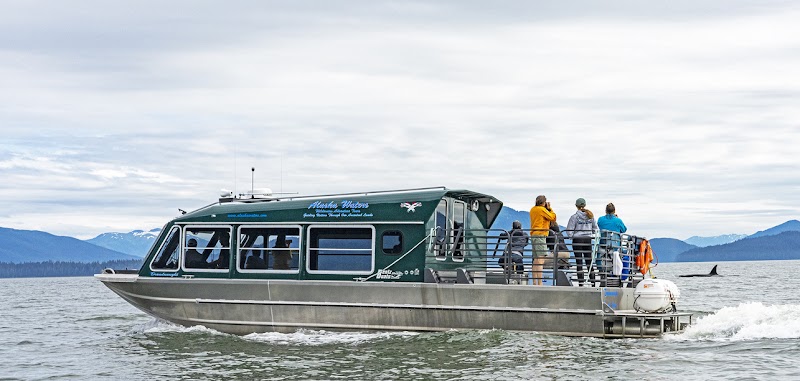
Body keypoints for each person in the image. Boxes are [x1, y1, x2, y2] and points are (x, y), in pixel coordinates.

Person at [566, 198, 598, 286]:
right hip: (588, 240)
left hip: (577, 240)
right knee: (589, 262)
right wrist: (591, 234)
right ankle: (593, 282)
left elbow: (569, 230)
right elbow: (596, 228)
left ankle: (581, 283)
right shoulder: (590, 216)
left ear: (576, 206)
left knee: (579, 262)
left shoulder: (574, 217)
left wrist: (571, 236)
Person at [597, 203, 627, 285]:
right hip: (615, 247)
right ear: (614, 211)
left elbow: (599, 225)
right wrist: (616, 218)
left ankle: (602, 276)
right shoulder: (618, 220)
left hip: (603, 245)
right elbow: (624, 229)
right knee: (623, 255)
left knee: (602, 261)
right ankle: (617, 278)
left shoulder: (600, 219)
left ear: (605, 211)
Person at [529, 195, 556, 285]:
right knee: (541, 259)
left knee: (536, 260)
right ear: (544, 202)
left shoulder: (533, 209)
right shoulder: (541, 209)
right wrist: (550, 208)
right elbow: (552, 217)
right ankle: (540, 283)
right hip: (540, 235)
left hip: (534, 234)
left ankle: (534, 282)